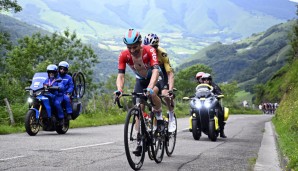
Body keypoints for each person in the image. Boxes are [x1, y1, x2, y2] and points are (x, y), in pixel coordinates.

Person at [114, 29, 165, 156]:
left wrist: (150, 87)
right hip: (141, 80)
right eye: (129, 47)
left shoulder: (149, 50)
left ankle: (159, 117)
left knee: (152, 93)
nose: (132, 50)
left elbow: (155, 71)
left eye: (135, 47)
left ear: (140, 43)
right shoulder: (123, 55)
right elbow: (120, 75)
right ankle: (140, 141)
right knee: (138, 108)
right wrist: (119, 89)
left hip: (155, 78)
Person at [143, 33, 176, 132]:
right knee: (151, 93)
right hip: (152, 76)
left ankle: (171, 115)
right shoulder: (143, 54)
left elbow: (170, 74)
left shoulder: (162, 54)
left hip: (163, 76)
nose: (153, 49)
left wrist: (170, 89)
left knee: (165, 95)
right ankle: (156, 116)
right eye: (150, 47)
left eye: (155, 47)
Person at [201, 73, 227, 138]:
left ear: (210, 80)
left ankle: (221, 131)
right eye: (204, 79)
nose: (206, 81)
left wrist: (218, 95)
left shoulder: (214, 86)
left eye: (207, 79)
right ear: (202, 80)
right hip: (203, 104)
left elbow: (219, 92)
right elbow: (196, 94)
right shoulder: (200, 87)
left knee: (220, 114)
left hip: (213, 103)